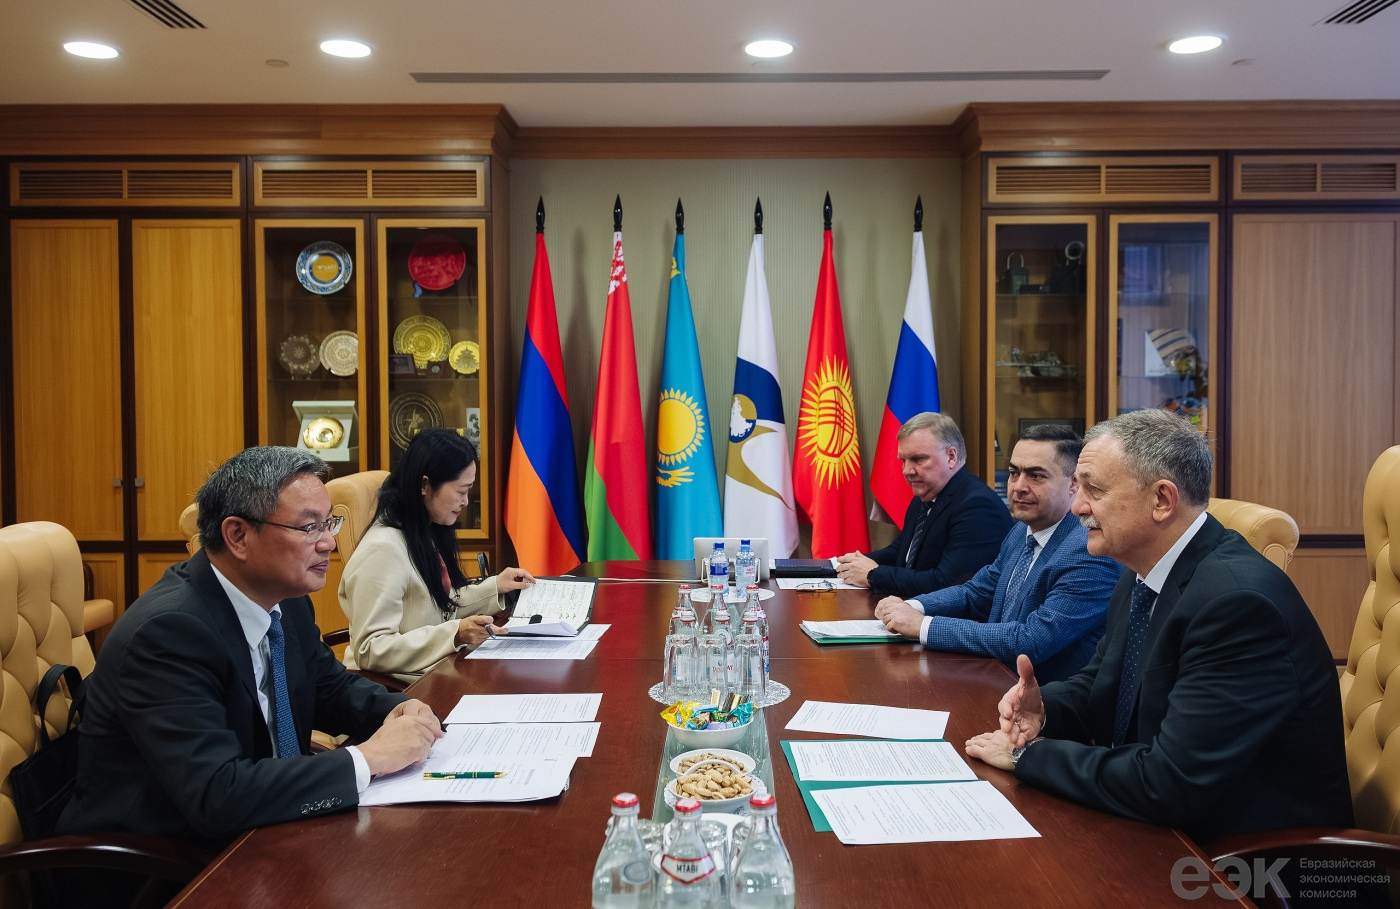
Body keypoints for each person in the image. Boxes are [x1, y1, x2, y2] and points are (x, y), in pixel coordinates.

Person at [965, 409, 1352, 845]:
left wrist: (1029, 757)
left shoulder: (1237, 606)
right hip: (1159, 828)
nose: (1076, 507)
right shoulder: (1141, 571)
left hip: (1245, 859)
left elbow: (1169, 782)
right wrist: (1045, 709)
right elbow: (1103, 684)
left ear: (1162, 501)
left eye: (1094, 489)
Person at [59, 447, 444, 850]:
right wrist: (368, 759)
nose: (329, 543)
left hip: (267, 826)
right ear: (238, 536)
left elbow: (327, 687)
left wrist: (399, 710)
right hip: (171, 858)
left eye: (329, 523)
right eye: (309, 527)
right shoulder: (168, 633)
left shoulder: (286, 600)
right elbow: (217, 795)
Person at [873, 425, 1119, 682]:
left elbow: (1030, 640)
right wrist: (911, 606)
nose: (1019, 487)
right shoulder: (1021, 530)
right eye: (1014, 473)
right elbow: (977, 592)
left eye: (1036, 476)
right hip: (992, 679)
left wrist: (923, 626)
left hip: (1043, 698)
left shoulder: (1088, 550)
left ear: (1073, 483)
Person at [340, 428, 536, 681]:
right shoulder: (382, 549)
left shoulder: (421, 531)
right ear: (424, 485)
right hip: (399, 685)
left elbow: (441, 606)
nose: (466, 502)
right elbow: (370, 650)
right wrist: (455, 633)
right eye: (461, 491)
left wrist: (496, 586)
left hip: (433, 670)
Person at [835, 412, 1012, 598]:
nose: (907, 471)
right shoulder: (925, 497)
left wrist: (873, 574)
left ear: (951, 456)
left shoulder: (977, 506)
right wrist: (849, 564)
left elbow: (947, 584)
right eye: (903, 461)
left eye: (918, 459)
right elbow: (900, 552)